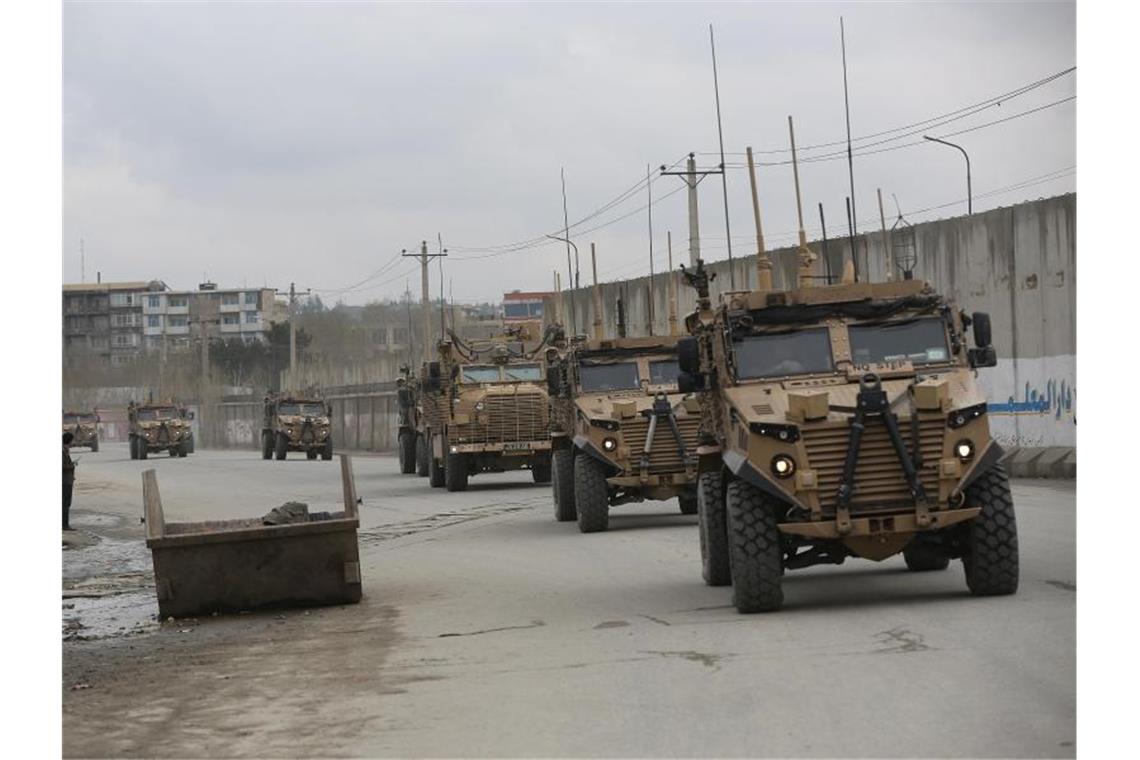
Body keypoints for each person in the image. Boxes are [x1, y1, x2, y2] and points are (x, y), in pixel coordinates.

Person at [63, 432, 76, 531]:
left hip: (67, 480)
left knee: (66, 503)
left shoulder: (65, 450)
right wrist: (71, 466)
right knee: (65, 504)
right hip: (65, 481)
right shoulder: (63, 451)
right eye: (72, 440)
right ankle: (64, 525)